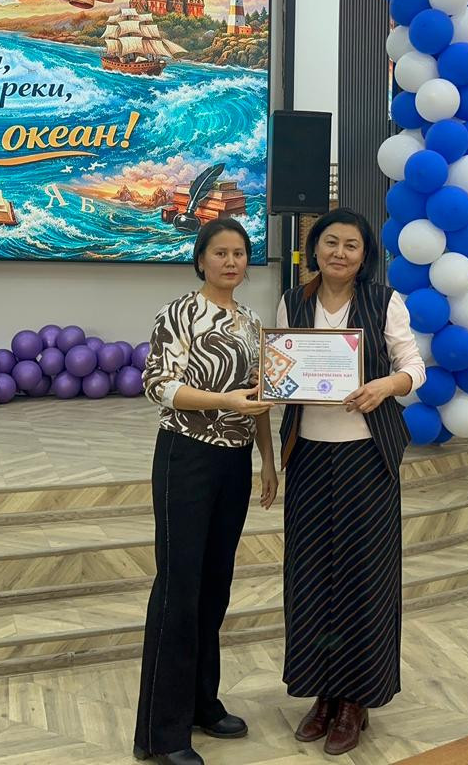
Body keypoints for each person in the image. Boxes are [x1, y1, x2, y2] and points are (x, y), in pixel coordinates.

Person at [277, 208, 425, 756]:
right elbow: (281, 369)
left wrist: (385, 385)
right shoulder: (292, 302)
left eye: (352, 245)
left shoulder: (385, 301)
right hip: (309, 457)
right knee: (311, 577)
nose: (340, 253)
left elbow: (414, 367)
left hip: (367, 458)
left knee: (366, 579)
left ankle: (356, 700)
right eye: (331, 242)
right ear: (314, 248)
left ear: (365, 256)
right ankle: (322, 693)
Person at [134, 218, 278, 765]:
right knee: (179, 588)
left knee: (215, 587)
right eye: (220, 252)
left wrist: (267, 460)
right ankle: (162, 733)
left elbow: (260, 397)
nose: (231, 261)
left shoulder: (252, 322)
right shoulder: (178, 313)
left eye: (239, 253)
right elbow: (159, 386)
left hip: (234, 462)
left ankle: (201, 703)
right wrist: (225, 402)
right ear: (201, 260)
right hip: (186, 458)